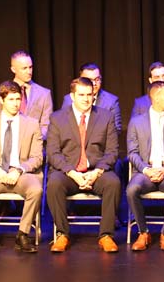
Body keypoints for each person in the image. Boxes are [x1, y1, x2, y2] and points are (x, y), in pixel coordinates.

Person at [46, 76, 122, 253]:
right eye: (81, 95)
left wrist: (96, 172)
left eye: (90, 94)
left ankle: (106, 235)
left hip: (96, 171)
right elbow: (53, 153)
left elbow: (112, 151)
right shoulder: (57, 118)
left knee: (113, 183)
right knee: (54, 184)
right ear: (72, 96)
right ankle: (62, 234)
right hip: (69, 173)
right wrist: (72, 173)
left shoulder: (106, 117)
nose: (86, 99)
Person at [0, 81, 45, 254]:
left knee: (36, 190)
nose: (16, 103)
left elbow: (37, 157)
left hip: (22, 173)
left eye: (18, 99)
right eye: (11, 99)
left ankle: (23, 234)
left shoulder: (32, 124)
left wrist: (19, 170)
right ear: (1, 100)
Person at [126, 81, 164, 251]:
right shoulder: (136, 122)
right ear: (155, 97)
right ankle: (143, 232)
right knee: (131, 190)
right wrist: (146, 169)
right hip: (145, 171)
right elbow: (132, 152)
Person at [0, 51, 52, 138]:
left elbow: (46, 126)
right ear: (13, 69)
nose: (29, 71)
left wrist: (29, 139)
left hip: (34, 146)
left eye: (30, 67)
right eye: (24, 68)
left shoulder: (44, 94)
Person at [60, 62, 122, 135]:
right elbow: (63, 127)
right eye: (89, 80)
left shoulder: (111, 101)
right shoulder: (69, 100)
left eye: (97, 79)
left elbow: (116, 130)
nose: (94, 84)